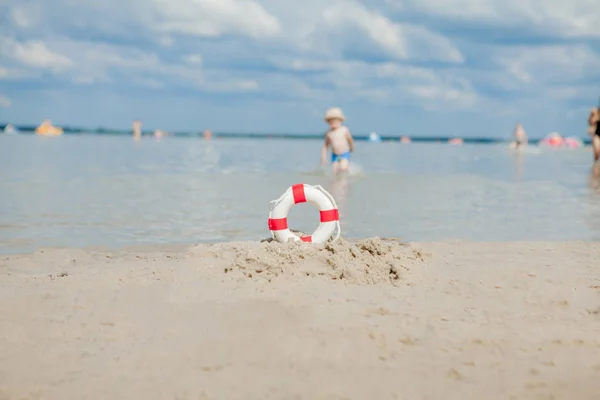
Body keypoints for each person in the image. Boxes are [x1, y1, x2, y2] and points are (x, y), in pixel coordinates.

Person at [321, 107, 355, 175]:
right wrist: (323, 157)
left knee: (343, 168)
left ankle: (347, 168)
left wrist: (352, 147)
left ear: (341, 121)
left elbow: (350, 140)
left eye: (336, 121)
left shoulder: (344, 130)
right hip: (335, 155)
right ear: (328, 122)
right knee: (334, 172)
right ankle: (337, 184)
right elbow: (325, 146)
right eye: (331, 121)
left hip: (344, 153)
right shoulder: (329, 133)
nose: (333, 123)